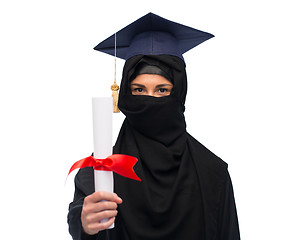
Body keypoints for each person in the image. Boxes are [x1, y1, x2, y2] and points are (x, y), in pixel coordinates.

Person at [68, 13, 240, 240]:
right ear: (126, 96)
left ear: (179, 93)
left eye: (162, 90)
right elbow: (82, 217)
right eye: (138, 90)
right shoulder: (100, 170)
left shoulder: (212, 173)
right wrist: (84, 223)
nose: (150, 100)